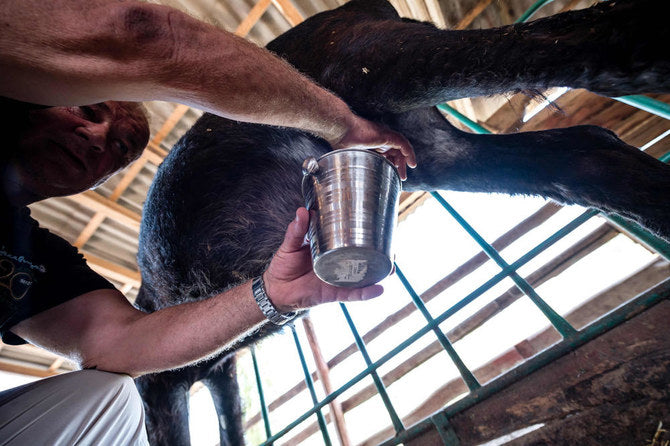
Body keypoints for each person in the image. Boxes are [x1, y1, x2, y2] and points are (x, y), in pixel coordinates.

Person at [0, 0, 416, 444]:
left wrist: (271, 294)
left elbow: (116, 342)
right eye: (86, 110)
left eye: (122, 149)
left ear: (105, 178)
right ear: (39, 98)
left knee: (110, 398)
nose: (99, 137)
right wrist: (341, 123)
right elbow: (144, 33)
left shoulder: (29, 253)